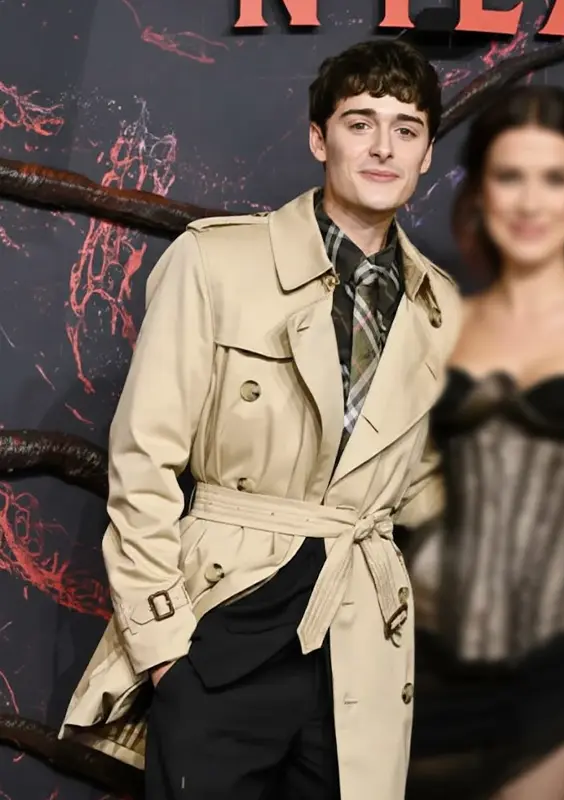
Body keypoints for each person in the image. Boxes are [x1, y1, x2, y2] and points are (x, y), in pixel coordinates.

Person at [58, 39, 461, 800]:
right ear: (319, 138)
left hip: (360, 641)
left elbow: (421, 488)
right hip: (223, 619)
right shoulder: (218, 263)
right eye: (360, 123)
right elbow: (143, 458)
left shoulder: (442, 311)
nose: (383, 147)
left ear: (427, 153)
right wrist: (164, 648)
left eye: (406, 129)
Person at [404, 85, 564, 800]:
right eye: (509, 176)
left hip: (557, 663)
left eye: (554, 178)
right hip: (414, 659)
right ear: (480, 193)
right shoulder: (442, 321)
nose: (530, 202)